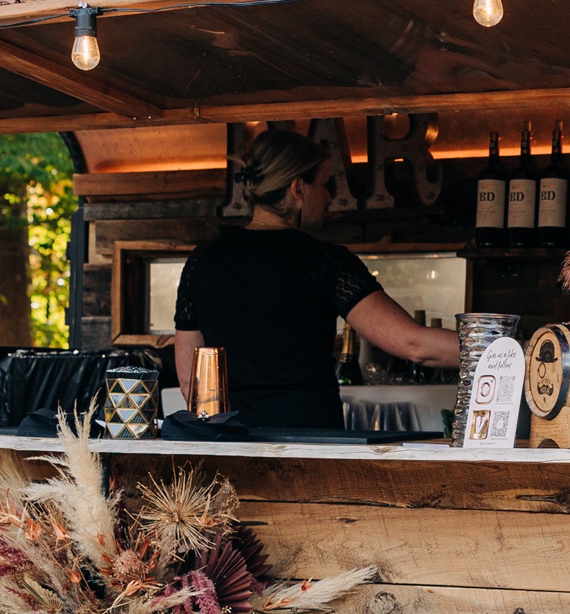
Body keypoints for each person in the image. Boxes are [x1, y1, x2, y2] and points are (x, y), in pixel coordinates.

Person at [171, 128, 458, 428]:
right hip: (310, 447)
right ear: (298, 189)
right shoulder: (322, 261)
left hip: (233, 449)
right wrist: (499, 349)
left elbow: (190, 381)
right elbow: (413, 344)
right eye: (324, 184)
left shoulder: (202, 261)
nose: (330, 197)